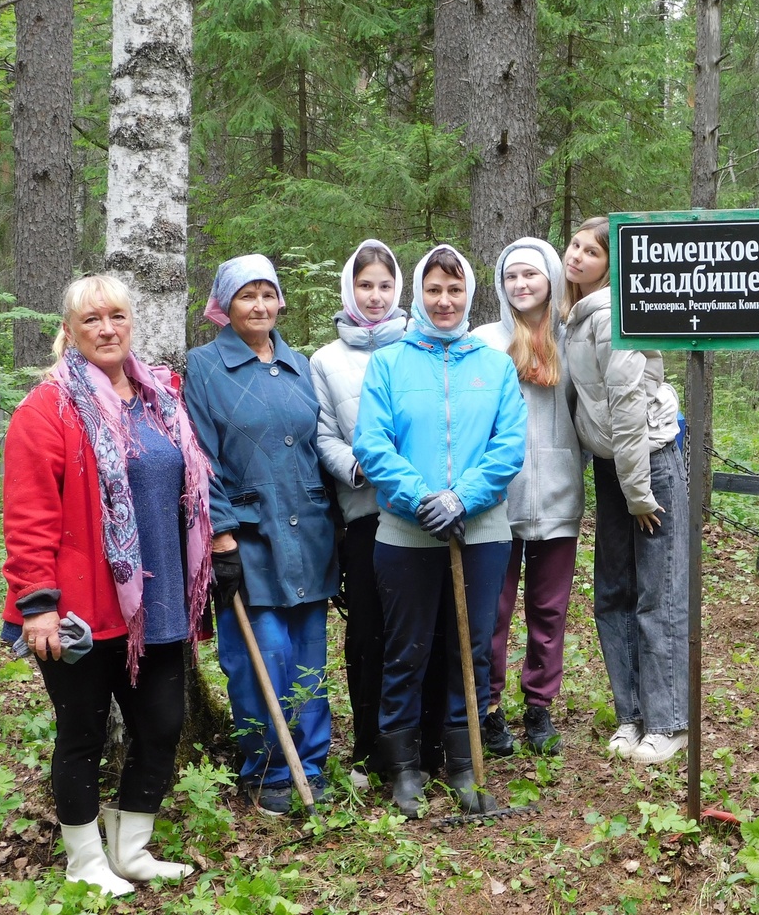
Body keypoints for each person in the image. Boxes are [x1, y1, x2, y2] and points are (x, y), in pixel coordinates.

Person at [2, 275, 210, 895]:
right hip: (77, 611)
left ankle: (133, 848)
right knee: (83, 733)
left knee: (163, 724)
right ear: (69, 329)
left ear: (132, 322)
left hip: (162, 600)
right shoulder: (48, 407)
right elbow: (29, 514)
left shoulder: (161, 397)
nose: (106, 328)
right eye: (91, 319)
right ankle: (85, 862)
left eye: (117, 315)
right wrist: (36, 605)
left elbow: (190, 488)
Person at [355, 244, 526, 816]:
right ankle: (403, 767)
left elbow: (508, 447)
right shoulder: (389, 362)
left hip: (481, 533)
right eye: (434, 290)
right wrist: (420, 497)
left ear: (470, 293)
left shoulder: (495, 365)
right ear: (418, 296)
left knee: (470, 650)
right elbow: (372, 445)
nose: (445, 301)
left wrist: (463, 497)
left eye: (454, 290)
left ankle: (463, 763)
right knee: (406, 651)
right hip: (405, 535)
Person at [185, 254, 339, 817]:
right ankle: (268, 769)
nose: (259, 305)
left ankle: (313, 764)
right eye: (246, 295)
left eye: (267, 294)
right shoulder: (204, 367)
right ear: (224, 305)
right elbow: (198, 458)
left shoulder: (298, 364)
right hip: (248, 540)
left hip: (310, 534)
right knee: (259, 658)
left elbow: (319, 452)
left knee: (309, 659)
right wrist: (221, 537)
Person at [309, 239, 447, 789]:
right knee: (369, 632)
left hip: (421, 515)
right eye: (365, 285)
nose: (375, 295)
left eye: (385, 285)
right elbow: (320, 434)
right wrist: (361, 469)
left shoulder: (425, 345)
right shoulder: (325, 360)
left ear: (399, 290)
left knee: (424, 633)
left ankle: (427, 743)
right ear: (350, 288)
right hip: (364, 514)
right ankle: (371, 746)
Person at [561, 216, 689, 766]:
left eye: (593, 252)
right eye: (575, 245)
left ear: (614, 264)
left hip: (647, 466)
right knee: (613, 593)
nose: (579, 257)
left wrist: (639, 492)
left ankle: (669, 721)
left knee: (657, 593)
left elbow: (629, 408)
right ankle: (631, 715)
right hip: (615, 470)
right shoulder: (578, 316)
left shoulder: (615, 315)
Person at [475, 238, 585, 757]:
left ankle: (539, 706)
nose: (521, 285)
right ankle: (488, 708)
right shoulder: (484, 342)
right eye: (512, 275)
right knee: (494, 609)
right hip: (498, 501)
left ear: (551, 280)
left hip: (559, 495)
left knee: (548, 610)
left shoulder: (573, 337)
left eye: (531, 275)